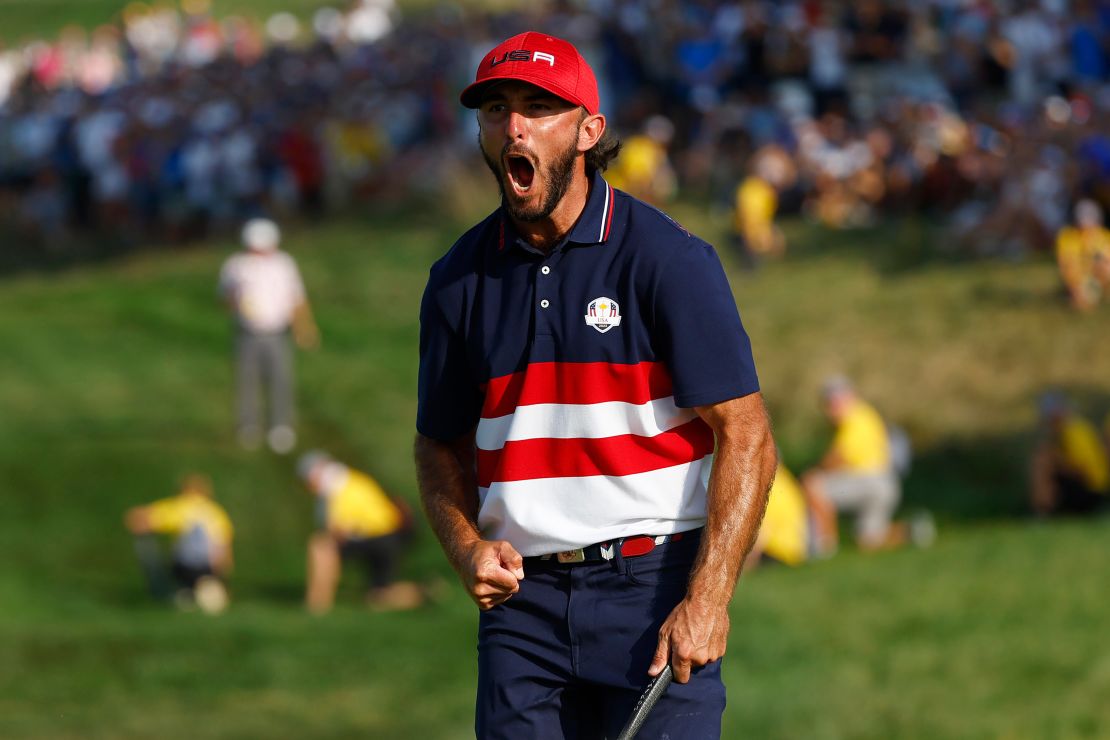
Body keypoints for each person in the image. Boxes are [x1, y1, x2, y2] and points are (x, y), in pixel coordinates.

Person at [414, 32, 776, 739]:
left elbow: (748, 433)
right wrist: (466, 550)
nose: (513, 125)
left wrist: (708, 598)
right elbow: (438, 448)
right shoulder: (456, 280)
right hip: (522, 610)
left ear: (588, 130)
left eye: (537, 107)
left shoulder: (669, 260)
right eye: (495, 109)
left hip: (654, 590)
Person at [218, 218, 319, 453]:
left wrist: (304, 327)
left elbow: (297, 299)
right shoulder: (236, 265)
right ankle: (248, 425)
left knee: (280, 379)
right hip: (247, 332)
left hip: (276, 332)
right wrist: (236, 300)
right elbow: (224, 298)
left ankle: (281, 426)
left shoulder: (284, 264)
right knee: (248, 379)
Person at [297, 450, 424, 613]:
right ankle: (422, 592)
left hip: (380, 539)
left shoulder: (337, 485)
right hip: (389, 539)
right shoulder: (351, 479)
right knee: (377, 598)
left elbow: (337, 530)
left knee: (321, 546)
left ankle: (317, 605)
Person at [802, 376, 908, 553]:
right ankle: (912, 532)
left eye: (835, 402)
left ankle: (824, 547)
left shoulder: (855, 418)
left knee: (813, 485)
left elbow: (838, 458)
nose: (831, 408)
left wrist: (814, 470)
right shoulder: (865, 413)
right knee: (869, 541)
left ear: (849, 397)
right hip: (886, 484)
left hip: (871, 482)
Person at [124, 473, 233, 614]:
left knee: (146, 541)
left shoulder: (182, 507)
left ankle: (174, 592)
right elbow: (224, 551)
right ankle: (204, 589)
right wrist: (222, 578)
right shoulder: (217, 512)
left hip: (183, 566)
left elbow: (141, 518)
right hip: (208, 569)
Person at [1030, 392, 1109, 516]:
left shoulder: (1075, 432)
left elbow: (1084, 471)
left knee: (1043, 460)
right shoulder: (1065, 433)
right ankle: (1044, 511)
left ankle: (1043, 512)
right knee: (1044, 458)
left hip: (1092, 491)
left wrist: (1059, 463)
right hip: (1087, 489)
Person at [746, 460, 812, 568]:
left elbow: (762, 532)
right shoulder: (785, 480)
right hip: (796, 550)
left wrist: (746, 566)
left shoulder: (765, 485)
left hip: (777, 552)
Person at [1055, 199, 1110, 311]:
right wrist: (1076, 287)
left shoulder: (1104, 236)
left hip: (1096, 279)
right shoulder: (1068, 236)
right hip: (1079, 280)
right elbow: (1066, 266)